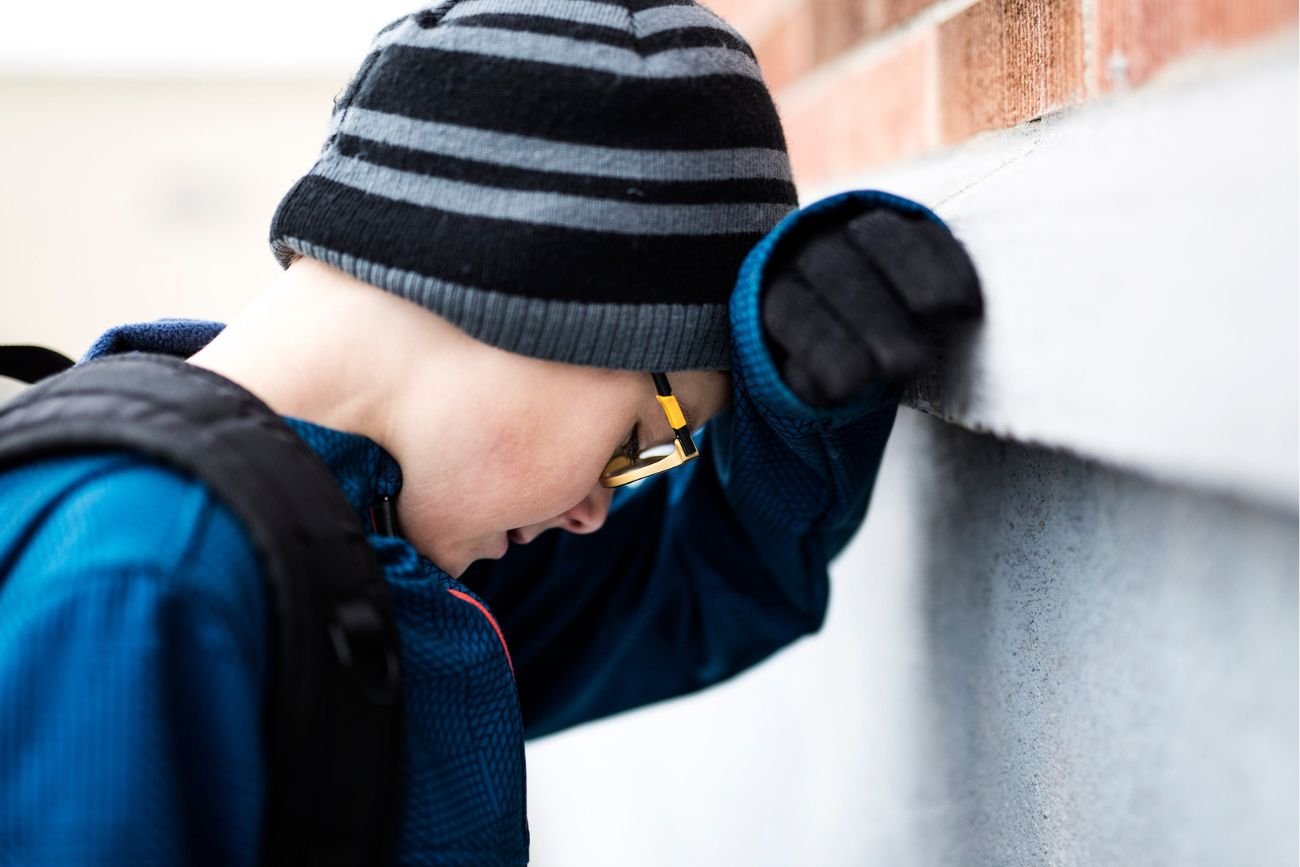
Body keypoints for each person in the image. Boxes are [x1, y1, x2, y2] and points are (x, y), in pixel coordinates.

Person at [0, 1, 981, 864]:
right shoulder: (144, 577)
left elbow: (696, 580)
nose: (601, 509)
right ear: (524, 303)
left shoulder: (352, 548)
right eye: (645, 434)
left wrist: (799, 388)